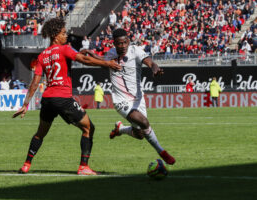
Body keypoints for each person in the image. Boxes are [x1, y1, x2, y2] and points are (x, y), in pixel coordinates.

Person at [12, 17, 121, 175]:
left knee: (40, 134)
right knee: (89, 128)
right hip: (62, 98)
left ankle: (26, 164)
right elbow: (84, 60)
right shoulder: (64, 49)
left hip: (47, 99)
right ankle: (83, 167)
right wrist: (107, 64)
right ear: (55, 35)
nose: (66, 36)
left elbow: (35, 81)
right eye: (63, 33)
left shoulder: (42, 55)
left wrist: (25, 104)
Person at [82, 28, 175, 165]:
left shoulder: (135, 51)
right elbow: (103, 61)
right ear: (114, 43)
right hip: (121, 100)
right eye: (119, 43)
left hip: (138, 99)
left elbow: (150, 62)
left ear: (128, 41)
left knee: (140, 135)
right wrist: (91, 53)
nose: (123, 46)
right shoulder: (111, 54)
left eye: (125, 42)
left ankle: (121, 129)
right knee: (144, 122)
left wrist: (154, 68)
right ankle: (162, 152)